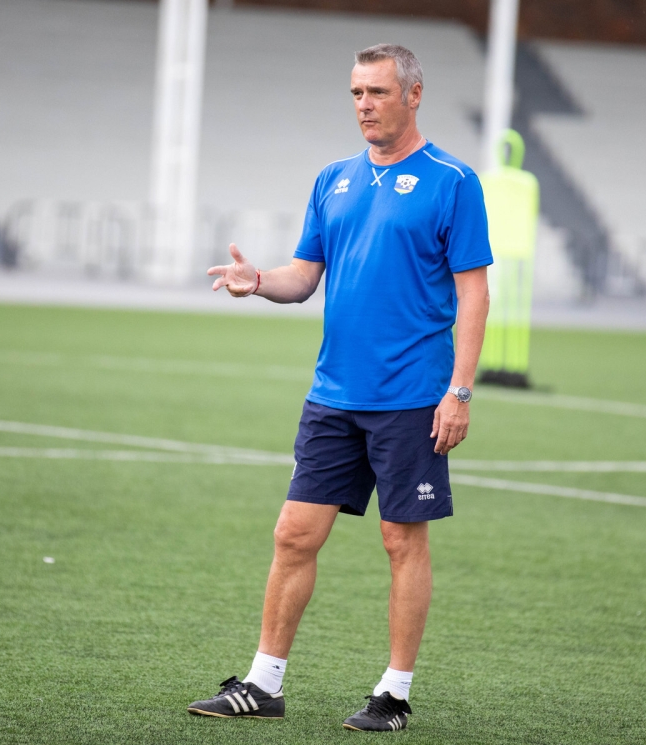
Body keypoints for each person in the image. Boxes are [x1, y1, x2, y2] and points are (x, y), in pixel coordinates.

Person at [187, 43, 492, 733]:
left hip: (413, 395)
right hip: (333, 393)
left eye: (377, 92)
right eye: (356, 92)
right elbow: (304, 276)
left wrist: (460, 390)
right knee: (294, 533)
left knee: (400, 539)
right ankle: (264, 683)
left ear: (413, 95)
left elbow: (475, 295)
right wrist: (260, 280)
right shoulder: (333, 179)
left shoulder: (452, 181)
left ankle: (394, 691)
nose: (363, 105)